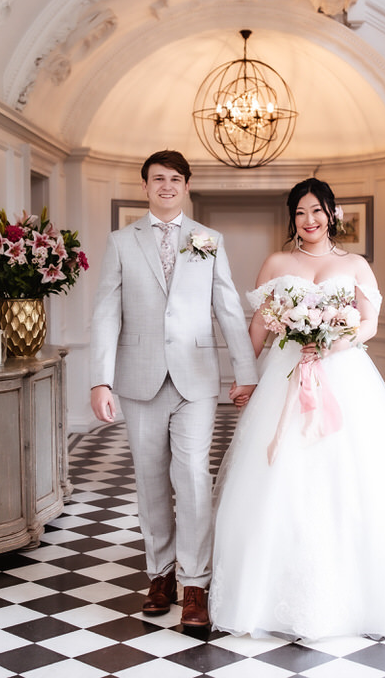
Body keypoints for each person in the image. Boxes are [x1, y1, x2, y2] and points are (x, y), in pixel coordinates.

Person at [209, 177, 385, 641]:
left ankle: (363, 597)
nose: (310, 220)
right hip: (286, 378)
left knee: (353, 477)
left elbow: (370, 322)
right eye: (301, 212)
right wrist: (243, 377)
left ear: (332, 213)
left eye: (318, 210)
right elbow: (260, 327)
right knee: (280, 478)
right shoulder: (277, 262)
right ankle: (271, 598)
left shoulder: (354, 264)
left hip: (343, 376)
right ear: (293, 217)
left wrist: (332, 340)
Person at [89, 149, 259, 629]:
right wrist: (100, 380)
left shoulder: (206, 240)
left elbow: (226, 306)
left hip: (196, 379)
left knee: (192, 478)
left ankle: (195, 584)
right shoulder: (121, 241)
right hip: (139, 378)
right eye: (158, 178)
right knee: (150, 482)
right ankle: (158, 574)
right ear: (145, 186)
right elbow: (105, 313)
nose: (167, 186)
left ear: (186, 186)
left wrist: (245, 373)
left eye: (176, 179)